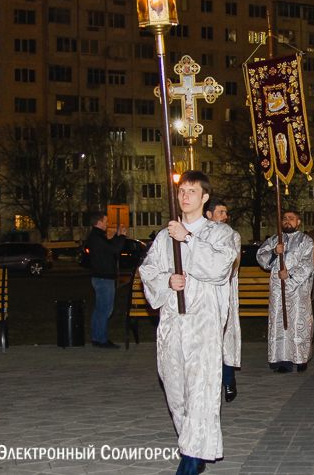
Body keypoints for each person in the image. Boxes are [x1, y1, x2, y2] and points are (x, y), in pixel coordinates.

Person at [139, 170, 238, 474]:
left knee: (201, 389)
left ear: (205, 197)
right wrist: (167, 281)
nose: (185, 196)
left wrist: (189, 239)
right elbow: (148, 271)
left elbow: (220, 268)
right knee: (176, 389)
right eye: (181, 190)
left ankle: (192, 459)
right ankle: (195, 445)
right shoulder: (164, 236)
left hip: (203, 324)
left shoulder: (221, 233)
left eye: (192, 191)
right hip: (173, 324)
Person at [256, 210, 314, 372]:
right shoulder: (274, 240)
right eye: (284, 218)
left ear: (298, 222)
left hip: (298, 290)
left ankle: (301, 358)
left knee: (298, 322)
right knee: (279, 323)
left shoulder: (306, 240)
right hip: (278, 289)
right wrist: (274, 253)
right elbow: (261, 256)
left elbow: (310, 264)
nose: (287, 221)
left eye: (291, 218)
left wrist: (290, 275)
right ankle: (283, 360)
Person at [205, 198, 241, 403]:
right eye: (221, 212)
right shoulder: (197, 235)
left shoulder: (232, 235)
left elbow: (233, 266)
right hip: (201, 296)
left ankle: (228, 380)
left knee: (223, 337)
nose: (225, 216)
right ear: (208, 214)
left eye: (226, 212)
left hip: (223, 293)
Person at [86, 210, 127, 350]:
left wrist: (116, 236)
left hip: (99, 277)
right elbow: (115, 249)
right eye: (106, 221)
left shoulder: (95, 237)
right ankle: (102, 339)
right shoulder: (97, 238)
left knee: (100, 309)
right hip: (104, 278)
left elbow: (108, 247)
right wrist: (121, 236)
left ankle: (96, 338)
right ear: (99, 223)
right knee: (106, 310)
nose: (107, 224)